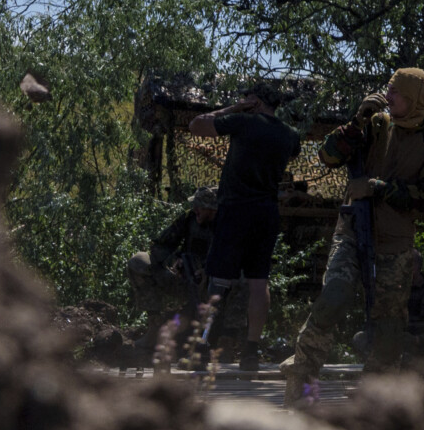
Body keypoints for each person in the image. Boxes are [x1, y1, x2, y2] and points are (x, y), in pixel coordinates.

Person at [284, 67, 424, 393]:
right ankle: (300, 379)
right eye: (389, 88)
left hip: (396, 244)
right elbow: (327, 156)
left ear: (414, 98)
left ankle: (375, 401)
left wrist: (375, 187)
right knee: (335, 295)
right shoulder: (374, 125)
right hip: (354, 229)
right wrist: (356, 123)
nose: (389, 94)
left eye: (397, 91)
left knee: (388, 327)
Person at [187, 83, 300, 364]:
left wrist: (234, 108)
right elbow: (293, 152)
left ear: (255, 101)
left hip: (235, 209)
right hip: (266, 212)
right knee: (259, 283)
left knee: (218, 281)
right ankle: (251, 350)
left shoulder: (242, 121)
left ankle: (202, 347)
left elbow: (196, 125)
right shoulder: (289, 135)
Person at [125, 186, 218, 328]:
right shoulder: (188, 219)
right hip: (183, 281)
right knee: (138, 262)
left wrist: (207, 271)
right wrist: (175, 261)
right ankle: (154, 327)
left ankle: (228, 338)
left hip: (213, 289)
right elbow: (160, 246)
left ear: (211, 208)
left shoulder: (226, 226)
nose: (195, 209)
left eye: (199, 206)